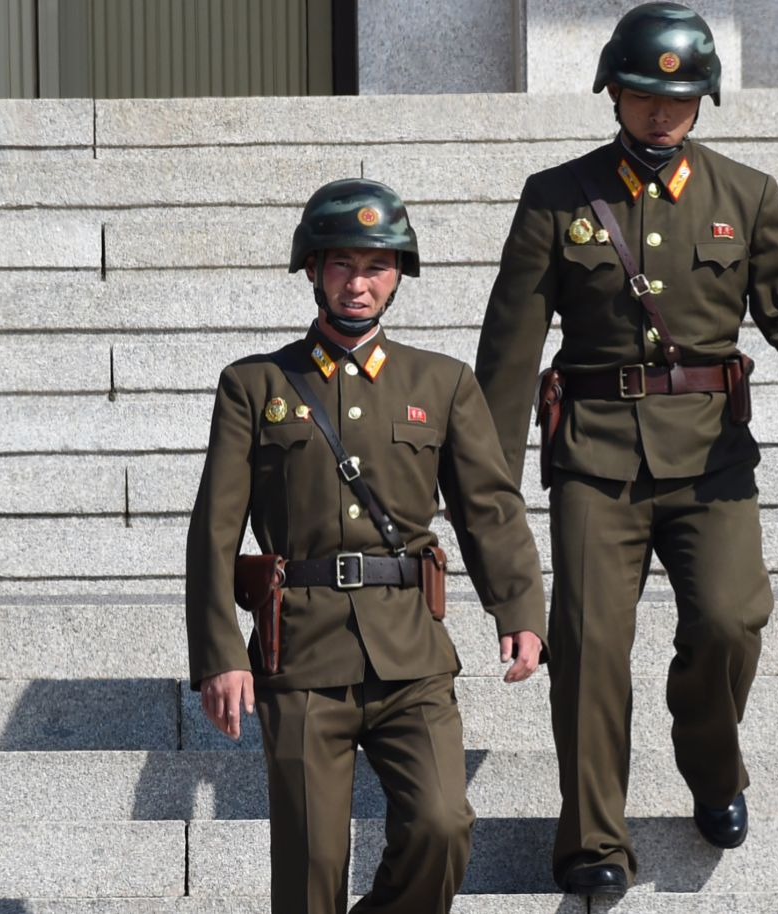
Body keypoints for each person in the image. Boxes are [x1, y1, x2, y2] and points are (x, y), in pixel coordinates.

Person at [475, 0, 778, 897]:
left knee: (730, 622)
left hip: (712, 456)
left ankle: (713, 769)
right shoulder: (557, 197)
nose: (662, 110)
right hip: (596, 458)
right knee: (586, 646)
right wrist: (486, 482)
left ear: (705, 99)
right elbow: (512, 346)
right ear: (613, 90)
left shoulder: (743, 193)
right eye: (646, 92)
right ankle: (594, 844)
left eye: (680, 95)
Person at [186, 178, 549, 914]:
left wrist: (520, 608)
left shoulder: (440, 383)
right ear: (314, 271)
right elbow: (214, 532)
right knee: (313, 860)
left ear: (398, 276)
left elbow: (490, 508)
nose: (359, 283)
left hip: (411, 652)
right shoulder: (256, 386)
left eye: (376, 266)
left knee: (443, 826)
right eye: (343, 265)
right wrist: (223, 655)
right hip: (302, 656)